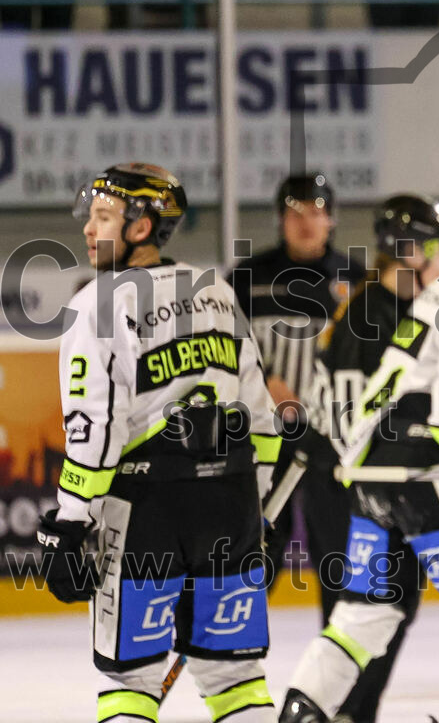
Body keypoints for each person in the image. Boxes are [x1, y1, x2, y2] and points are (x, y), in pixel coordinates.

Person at [280, 185, 439, 723]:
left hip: (371, 474)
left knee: (362, 617)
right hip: (435, 479)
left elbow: (382, 396)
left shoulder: (437, 292)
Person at [36, 163, 282, 722]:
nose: (88, 230)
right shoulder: (216, 290)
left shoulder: (98, 303)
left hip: (149, 509)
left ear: (141, 227)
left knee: (131, 677)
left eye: (102, 217)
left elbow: (94, 429)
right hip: (231, 505)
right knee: (236, 676)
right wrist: (257, 510)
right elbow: (261, 419)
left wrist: (71, 524)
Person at [299, 193, 439, 723]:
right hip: (347, 483)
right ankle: (340, 712)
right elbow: (348, 424)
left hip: (362, 481)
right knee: (368, 606)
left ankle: (347, 711)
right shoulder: (371, 316)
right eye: (438, 247)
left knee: (381, 605)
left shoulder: (391, 308)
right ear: (410, 251)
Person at [230, 173, 364, 624]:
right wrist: (266, 378)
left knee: (337, 555)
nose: (306, 222)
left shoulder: (357, 281)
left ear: (332, 219)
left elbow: (377, 357)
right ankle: (237, 642)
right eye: (295, 213)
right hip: (266, 436)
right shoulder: (247, 278)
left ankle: (337, 660)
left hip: (332, 438)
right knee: (259, 543)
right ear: (280, 219)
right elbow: (223, 345)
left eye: (316, 211)